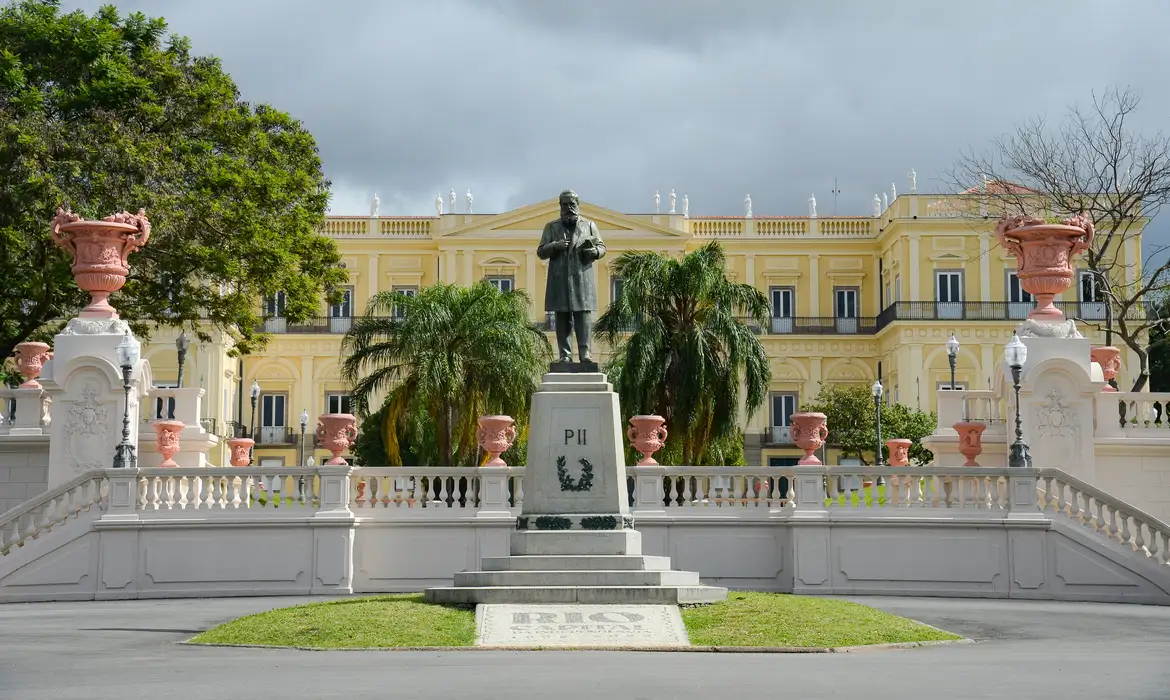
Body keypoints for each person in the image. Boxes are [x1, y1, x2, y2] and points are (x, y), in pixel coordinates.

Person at [537, 190, 606, 365]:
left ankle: (585, 354)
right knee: (562, 317)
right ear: (560, 206)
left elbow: (602, 247)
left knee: (583, 317)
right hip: (559, 280)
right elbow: (541, 252)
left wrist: (594, 251)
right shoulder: (551, 227)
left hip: (581, 279)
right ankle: (565, 355)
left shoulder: (589, 225)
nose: (568, 207)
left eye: (571, 204)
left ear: (578, 205)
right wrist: (555, 245)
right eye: (564, 204)